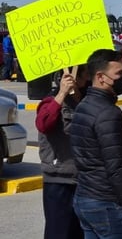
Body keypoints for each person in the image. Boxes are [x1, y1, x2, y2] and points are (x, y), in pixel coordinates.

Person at [69, 49, 122, 239]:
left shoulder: (83, 105)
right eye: (119, 74)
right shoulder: (108, 114)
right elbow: (117, 168)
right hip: (107, 204)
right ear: (101, 77)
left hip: (85, 199)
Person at [35, 65, 89, 239]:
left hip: (85, 179)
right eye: (85, 75)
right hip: (60, 179)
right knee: (59, 232)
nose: (88, 79)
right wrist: (62, 94)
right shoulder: (51, 101)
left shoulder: (87, 100)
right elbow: (43, 124)